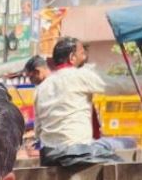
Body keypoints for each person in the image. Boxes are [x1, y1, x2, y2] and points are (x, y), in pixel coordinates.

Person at [34, 36, 133, 167]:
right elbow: (119, 85)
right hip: (77, 151)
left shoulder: (41, 88)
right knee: (129, 143)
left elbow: (38, 130)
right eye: (82, 53)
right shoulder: (81, 75)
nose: (85, 57)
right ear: (72, 57)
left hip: (49, 155)